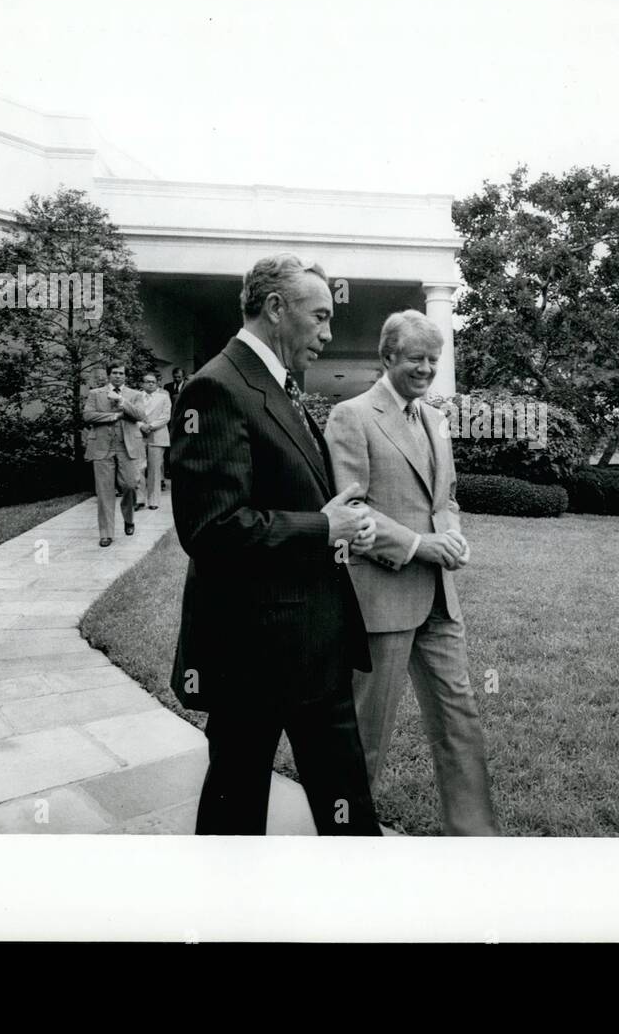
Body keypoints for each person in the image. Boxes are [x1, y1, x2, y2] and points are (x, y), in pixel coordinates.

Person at [169, 252, 383, 836]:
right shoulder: (216, 388)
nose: (328, 333)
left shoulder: (275, 384)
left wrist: (343, 523)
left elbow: (293, 498)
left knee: (348, 808)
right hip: (251, 657)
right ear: (274, 308)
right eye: (319, 317)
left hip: (317, 647)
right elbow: (211, 531)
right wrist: (323, 528)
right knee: (235, 815)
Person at [325, 309, 499, 836]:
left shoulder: (435, 419)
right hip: (381, 598)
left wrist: (454, 535)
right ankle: (347, 839)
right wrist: (421, 545)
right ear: (387, 357)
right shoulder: (351, 416)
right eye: (416, 359)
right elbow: (351, 513)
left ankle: (475, 842)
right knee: (367, 729)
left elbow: (442, 498)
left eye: (433, 359)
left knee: (459, 716)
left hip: (440, 600)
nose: (426, 369)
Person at [82, 361, 147, 546]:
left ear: (125, 376)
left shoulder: (135, 395)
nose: (118, 376)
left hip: (127, 447)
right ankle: (106, 533)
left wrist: (122, 402)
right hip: (102, 446)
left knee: (130, 485)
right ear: (109, 375)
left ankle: (129, 518)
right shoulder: (96, 393)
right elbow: (88, 416)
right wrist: (113, 416)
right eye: (115, 373)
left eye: (121, 373)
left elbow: (140, 415)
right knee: (104, 491)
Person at [135, 371, 172, 510]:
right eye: (147, 381)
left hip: (157, 434)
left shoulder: (163, 397)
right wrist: (141, 426)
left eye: (153, 382)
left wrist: (150, 426)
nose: (150, 384)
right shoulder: (136, 396)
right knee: (138, 468)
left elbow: (166, 416)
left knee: (155, 470)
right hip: (139, 435)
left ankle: (154, 501)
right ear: (142, 383)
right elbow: (132, 414)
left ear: (157, 384)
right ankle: (139, 499)